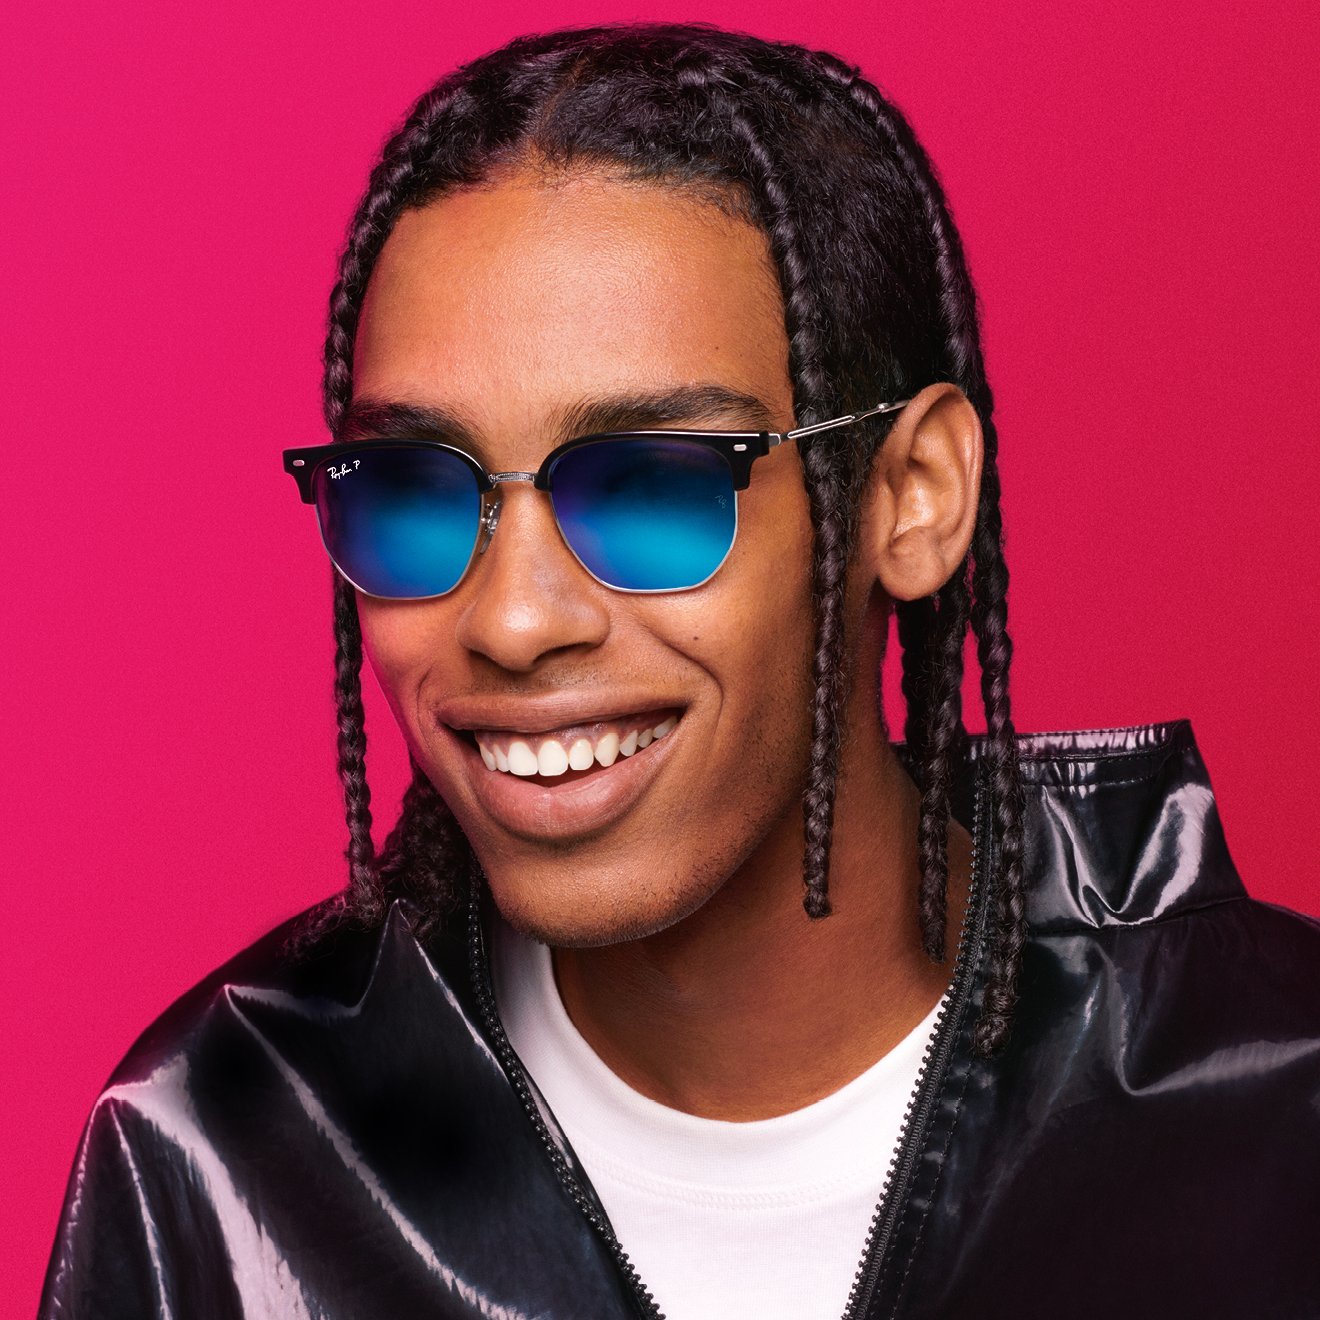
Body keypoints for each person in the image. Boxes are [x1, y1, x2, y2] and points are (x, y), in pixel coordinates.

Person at [40, 22, 1320, 1319]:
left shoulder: (1275, 1110)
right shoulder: (218, 1161)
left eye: (651, 487)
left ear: (914, 496)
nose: (514, 621)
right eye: (415, 492)